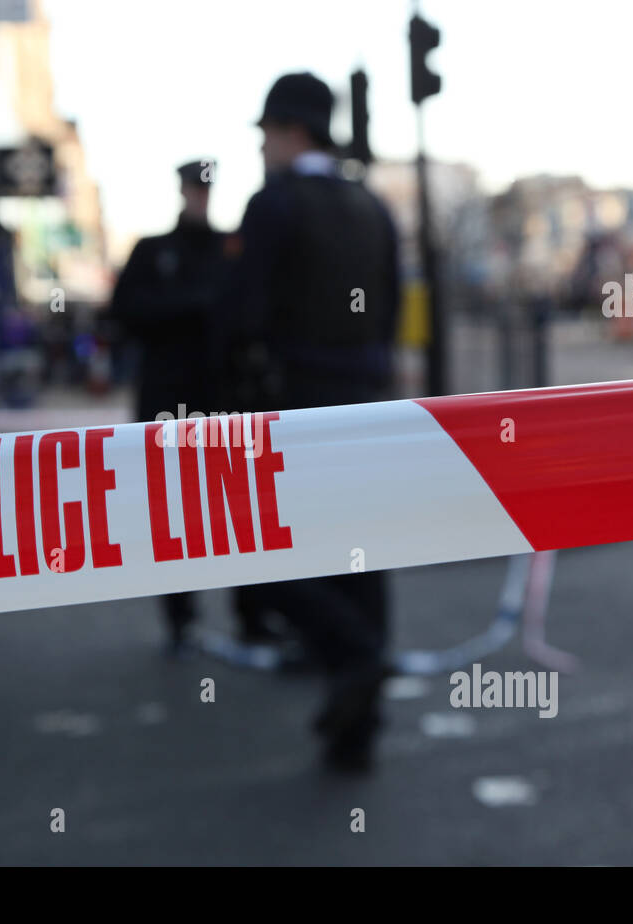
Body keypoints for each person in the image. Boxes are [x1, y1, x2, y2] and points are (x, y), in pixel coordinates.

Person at [217, 72, 401, 772]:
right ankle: (358, 733)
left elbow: (241, 316)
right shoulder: (372, 207)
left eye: (266, 132)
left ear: (291, 130)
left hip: (292, 406)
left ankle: (355, 660)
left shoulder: (275, 204)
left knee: (269, 558)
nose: (262, 147)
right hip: (366, 400)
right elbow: (386, 311)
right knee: (362, 563)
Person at [110, 159, 230, 653]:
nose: (199, 197)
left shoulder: (230, 248)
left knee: (235, 509)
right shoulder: (154, 250)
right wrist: (194, 306)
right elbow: (125, 312)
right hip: (167, 402)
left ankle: (253, 614)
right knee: (173, 514)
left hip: (222, 401)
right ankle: (181, 619)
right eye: (194, 189)